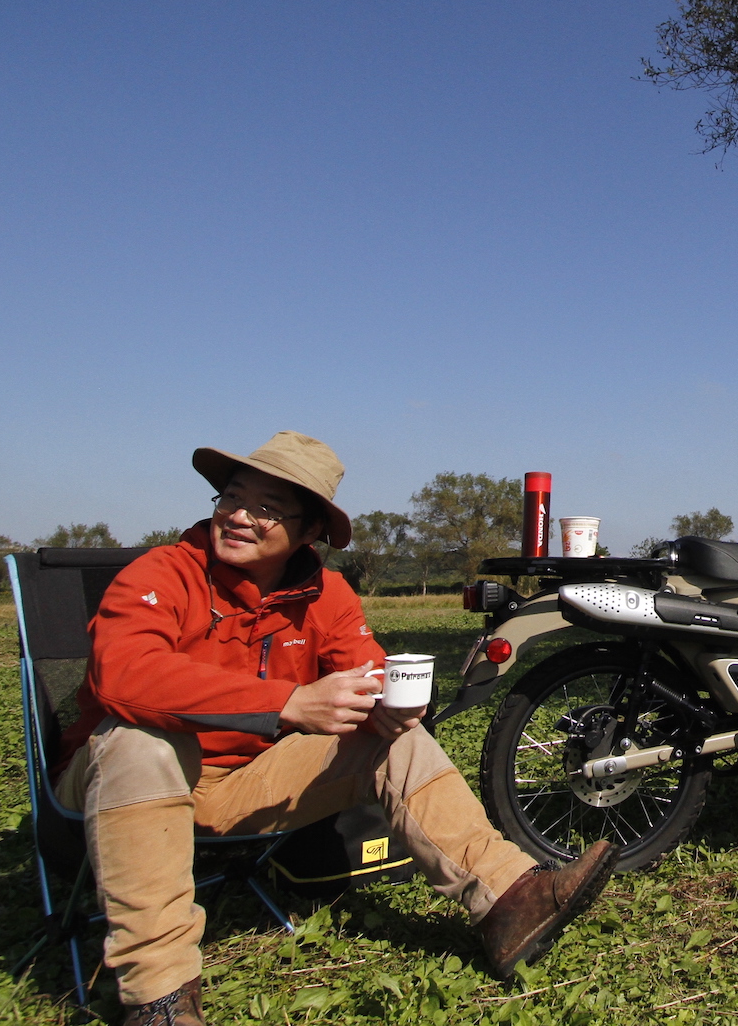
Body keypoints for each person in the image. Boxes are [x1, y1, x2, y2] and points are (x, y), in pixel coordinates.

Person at [53, 431, 617, 1026]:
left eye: (267, 508)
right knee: (142, 742)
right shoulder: (166, 572)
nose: (239, 516)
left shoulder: (327, 595)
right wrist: (288, 703)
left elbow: (364, 667)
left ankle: (511, 901)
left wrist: (385, 704)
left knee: (394, 740)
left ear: (308, 531)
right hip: (118, 782)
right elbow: (122, 676)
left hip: (243, 782)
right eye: (231, 498)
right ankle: (158, 1000)